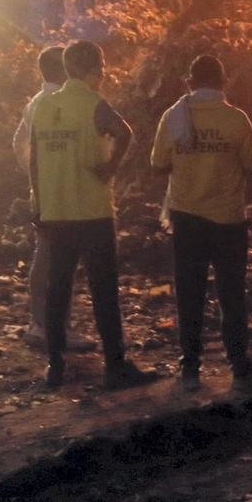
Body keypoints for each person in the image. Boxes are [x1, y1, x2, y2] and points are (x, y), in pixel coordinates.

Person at [30, 39, 156, 390]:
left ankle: (54, 365)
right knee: (104, 291)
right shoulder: (93, 104)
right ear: (93, 70)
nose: (103, 75)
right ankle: (115, 367)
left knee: (58, 290)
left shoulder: (42, 107)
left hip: (55, 213)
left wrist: (38, 205)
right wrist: (110, 167)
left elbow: (34, 162)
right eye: (101, 68)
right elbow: (125, 133)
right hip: (92, 213)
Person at [152, 55, 252, 392]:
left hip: (186, 217)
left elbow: (158, 164)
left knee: (189, 293)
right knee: (231, 293)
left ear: (189, 82)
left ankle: (190, 368)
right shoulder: (236, 119)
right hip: (228, 219)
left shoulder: (173, 117)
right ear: (223, 82)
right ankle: (239, 364)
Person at [11, 46, 94, 353]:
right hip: (65, 192)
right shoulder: (61, 103)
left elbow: (19, 143)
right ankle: (59, 327)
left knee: (44, 257)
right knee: (62, 263)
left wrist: (36, 175)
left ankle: (39, 323)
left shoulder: (35, 103)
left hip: (43, 191)